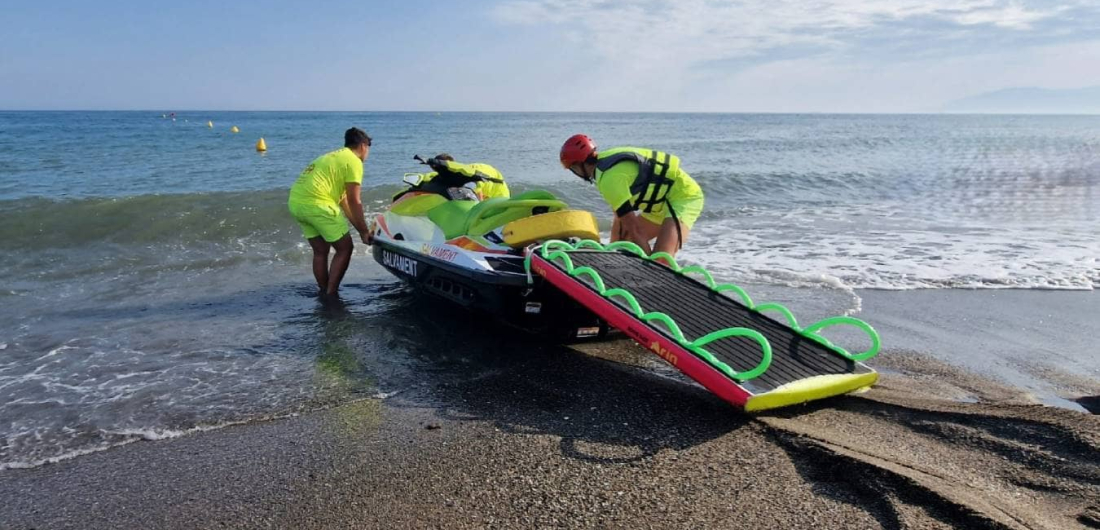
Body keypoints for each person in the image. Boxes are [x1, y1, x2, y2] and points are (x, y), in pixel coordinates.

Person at [559, 134, 704, 260]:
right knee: (625, 244)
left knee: (661, 260)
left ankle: (656, 275)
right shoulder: (604, 165)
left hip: (683, 197)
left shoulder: (608, 180)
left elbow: (635, 228)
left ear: (578, 165)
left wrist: (650, 265)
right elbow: (619, 217)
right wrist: (612, 253)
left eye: (572, 169)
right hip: (659, 205)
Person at [288, 127, 372, 297]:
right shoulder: (354, 161)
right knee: (345, 248)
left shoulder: (331, 157)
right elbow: (355, 201)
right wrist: (364, 232)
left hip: (296, 203)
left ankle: (324, 290)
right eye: (368, 149)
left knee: (320, 251)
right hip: (318, 204)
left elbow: (345, 202)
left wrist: (362, 231)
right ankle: (331, 294)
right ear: (363, 146)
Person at [425, 154, 510, 200]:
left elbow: (477, 193)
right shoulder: (459, 170)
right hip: (487, 176)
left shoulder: (468, 178)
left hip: (498, 191)